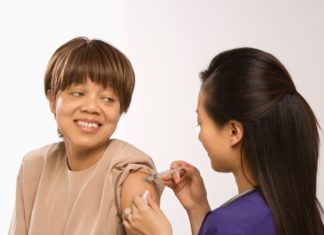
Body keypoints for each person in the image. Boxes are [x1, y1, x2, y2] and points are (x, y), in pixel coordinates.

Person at [122, 47, 324, 235]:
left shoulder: (232, 224)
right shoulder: (295, 208)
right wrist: (197, 208)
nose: (200, 136)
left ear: (234, 132)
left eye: (200, 123)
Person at [9, 36, 163, 235]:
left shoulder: (130, 175)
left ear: (121, 109)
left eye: (107, 99)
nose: (91, 107)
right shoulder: (33, 166)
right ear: (52, 99)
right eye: (78, 93)